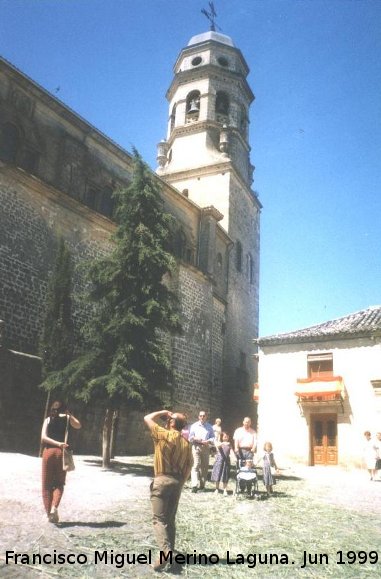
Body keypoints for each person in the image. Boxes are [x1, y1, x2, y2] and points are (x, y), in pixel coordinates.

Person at [144, 409, 192, 572]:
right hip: (177, 481)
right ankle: (172, 557)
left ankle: (166, 552)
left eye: (169, 418)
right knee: (170, 520)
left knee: (159, 519)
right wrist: (181, 483)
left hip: (162, 479)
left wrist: (164, 411)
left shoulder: (162, 433)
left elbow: (147, 417)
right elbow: (189, 466)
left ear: (171, 423)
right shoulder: (186, 443)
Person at [41, 400, 81, 523]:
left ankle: (49, 514)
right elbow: (78, 425)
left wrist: (56, 443)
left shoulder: (47, 420)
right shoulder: (68, 418)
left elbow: (43, 437)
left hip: (48, 452)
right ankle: (54, 508)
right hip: (61, 453)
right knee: (59, 482)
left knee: (46, 484)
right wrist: (70, 414)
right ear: (64, 409)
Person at [189, 410, 214, 492]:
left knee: (204, 467)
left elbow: (213, 437)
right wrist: (196, 438)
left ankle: (202, 485)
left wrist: (209, 441)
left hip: (206, 447)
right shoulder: (194, 426)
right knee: (195, 465)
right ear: (198, 417)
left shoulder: (209, 427)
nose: (202, 417)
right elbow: (190, 437)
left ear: (206, 417)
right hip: (196, 446)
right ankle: (194, 486)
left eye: (204, 416)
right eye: (200, 416)